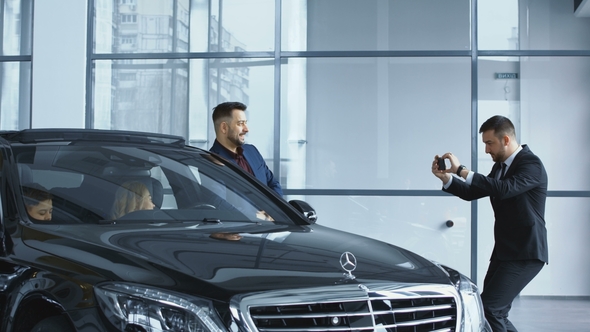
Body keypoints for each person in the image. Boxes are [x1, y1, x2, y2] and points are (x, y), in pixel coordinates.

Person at [431, 115, 548, 332]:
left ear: (505, 140)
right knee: (494, 311)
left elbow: (503, 190)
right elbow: (473, 192)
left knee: (490, 309)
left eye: (489, 143)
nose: (486, 150)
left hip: (526, 253)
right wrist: (446, 178)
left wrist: (461, 170)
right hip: (505, 252)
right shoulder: (501, 168)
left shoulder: (531, 164)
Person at [209, 101, 283, 196]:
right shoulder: (210, 162)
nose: (246, 129)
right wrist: (255, 212)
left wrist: (271, 210)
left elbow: (273, 184)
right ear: (224, 128)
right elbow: (221, 204)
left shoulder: (252, 151)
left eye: (245, 123)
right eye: (240, 123)